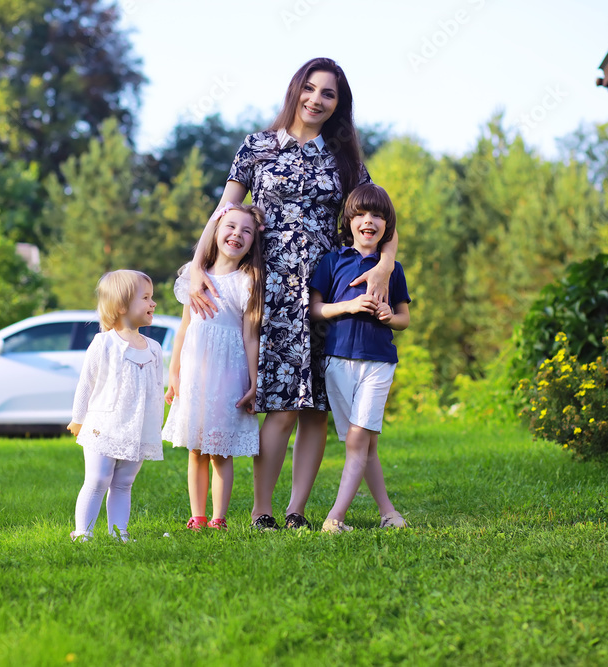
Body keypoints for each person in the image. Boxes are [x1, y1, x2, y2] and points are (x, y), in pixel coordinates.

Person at [186, 57, 400, 530]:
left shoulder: (345, 161)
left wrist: (384, 265)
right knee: (281, 406)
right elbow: (224, 210)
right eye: (310, 88)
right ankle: (261, 510)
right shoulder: (257, 147)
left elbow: (383, 215)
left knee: (315, 410)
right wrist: (197, 264)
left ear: (338, 105)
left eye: (328, 94)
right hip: (272, 290)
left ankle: (296, 511)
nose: (316, 100)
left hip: (329, 292)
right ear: (295, 90)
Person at [309, 184, 411, 533]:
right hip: (337, 362)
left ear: (387, 226)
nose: (369, 221)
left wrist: (388, 316)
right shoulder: (332, 261)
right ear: (349, 221)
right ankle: (389, 513)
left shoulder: (393, 269)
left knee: (357, 440)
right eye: (362, 214)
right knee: (366, 443)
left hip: (379, 362)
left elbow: (404, 319)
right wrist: (349, 306)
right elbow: (315, 309)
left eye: (378, 216)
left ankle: (334, 518)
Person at [163, 203, 265, 531]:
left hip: (228, 374)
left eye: (246, 231)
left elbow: (251, 336)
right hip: (195, 373)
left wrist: (253, 383)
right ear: (216, 231)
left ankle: (219, 518)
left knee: (220, 450)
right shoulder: (195, 276)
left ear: (253, 242)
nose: (237, 234)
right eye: (230, 226)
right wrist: (174, 373)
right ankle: (197, 515)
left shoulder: (247, 281)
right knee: (196, 449)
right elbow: (184, 329)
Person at [68, 270, 164, 543]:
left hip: (139, 428)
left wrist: (155, 425)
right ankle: (83, 533)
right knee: (98, 479)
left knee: (124, 483)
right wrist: (78, 418)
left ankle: (119, 533)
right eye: (145, 298)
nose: (153, 303)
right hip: (104, 426)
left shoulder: (154, 348)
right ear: (121, 306)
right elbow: (86, 383)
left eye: (152, 297)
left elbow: (156, 389)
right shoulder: (104, 343)